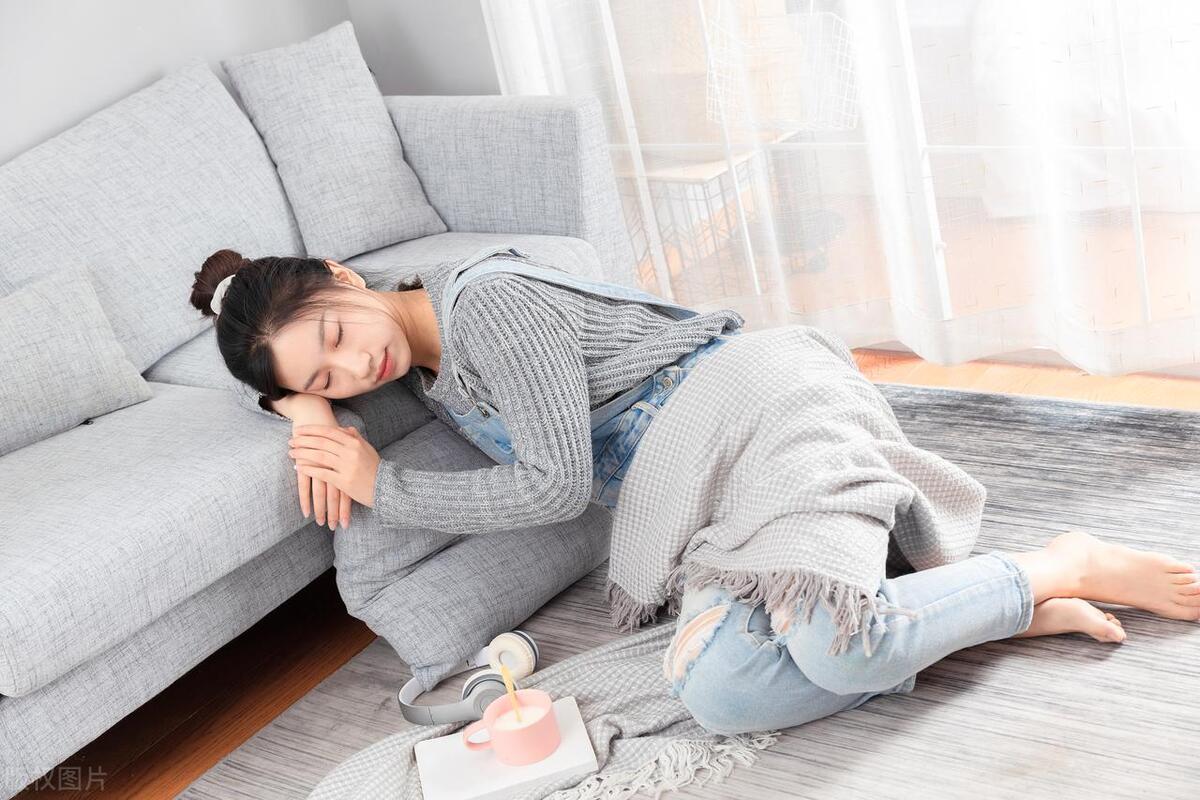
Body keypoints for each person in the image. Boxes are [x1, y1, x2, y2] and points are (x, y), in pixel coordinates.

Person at [189, 243, 1200, 736]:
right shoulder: (412, 359)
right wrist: (305, 406)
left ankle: (1052, 564)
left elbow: (555, 487)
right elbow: (286, 371)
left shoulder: (486, 307)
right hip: (696, 497)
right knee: (722, 691)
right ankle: (976, 614)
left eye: (335, 334)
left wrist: (382, 481)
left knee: (835, 645)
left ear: (343, 275)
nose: (352, 366)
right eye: (325, 375)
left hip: (754, 411)